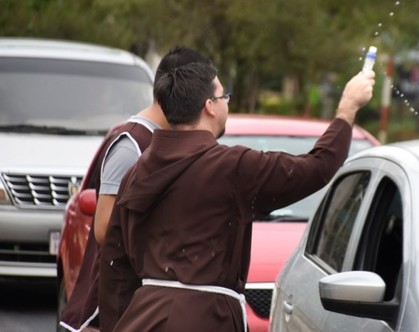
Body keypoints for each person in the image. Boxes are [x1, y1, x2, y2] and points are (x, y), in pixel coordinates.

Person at [98, 48, 375, 331]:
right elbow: (318, 167)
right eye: (224, 97)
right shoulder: (232, 167)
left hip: (140, 319)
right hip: (207, 320)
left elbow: (115, 266)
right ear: (209, 106)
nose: (226, 104)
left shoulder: (137, 171)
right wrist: (347, 108)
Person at [59, 46, 211, 332]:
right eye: (211, 96)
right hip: (111, 307)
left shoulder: (166, 140)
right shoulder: (131, 143)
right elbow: (105, 227)